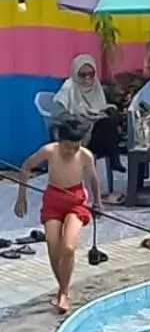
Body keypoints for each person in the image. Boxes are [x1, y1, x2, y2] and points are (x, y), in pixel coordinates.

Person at [14, 120, 102, 314]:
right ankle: (62, 288)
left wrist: (97, 202)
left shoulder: (85, 155)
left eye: (76, 147)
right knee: (54, 248)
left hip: (76, 201)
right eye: (68, 148)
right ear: (59, 141)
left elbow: (93, 178)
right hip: (54, 200)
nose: (71, 152)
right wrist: (22, 198)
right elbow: (25, 167)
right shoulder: (49, 151)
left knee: (68, 247)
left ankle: (63, 292)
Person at [52, 55, 124, 171]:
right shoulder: (69, 87)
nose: (87, 78)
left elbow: (99, 109)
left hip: (93, 131)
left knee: (109, 122)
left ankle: (113, 157)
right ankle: (113, 158)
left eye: (91, 74)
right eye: (82, 74)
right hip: (75, 132)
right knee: (107, 126)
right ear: (75, 73)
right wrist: (75, 119)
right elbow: (57, 111)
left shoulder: (96, 86)